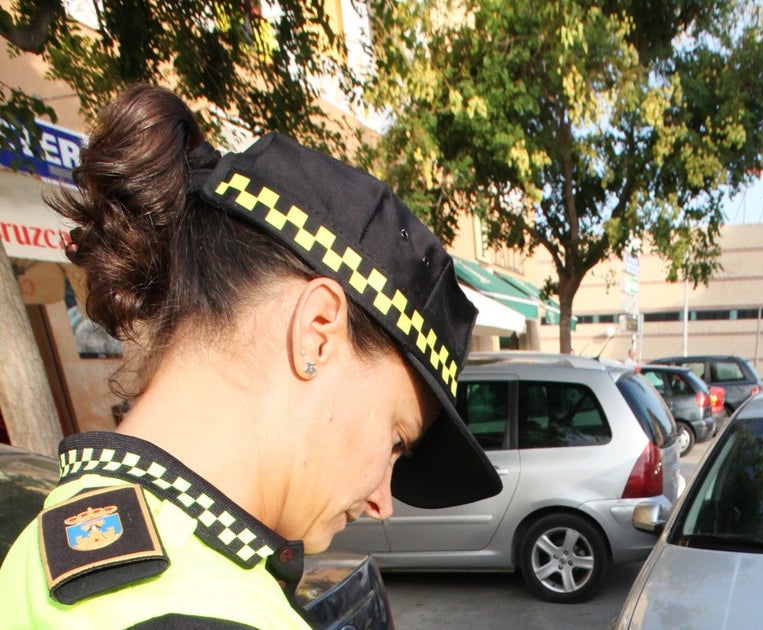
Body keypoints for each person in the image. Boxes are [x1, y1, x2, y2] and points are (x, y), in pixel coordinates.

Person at [0, 84, 501, 628]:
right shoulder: (196, 610)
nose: (383, 501)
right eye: (397, 440)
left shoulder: (52, 540)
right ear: (317, 334)